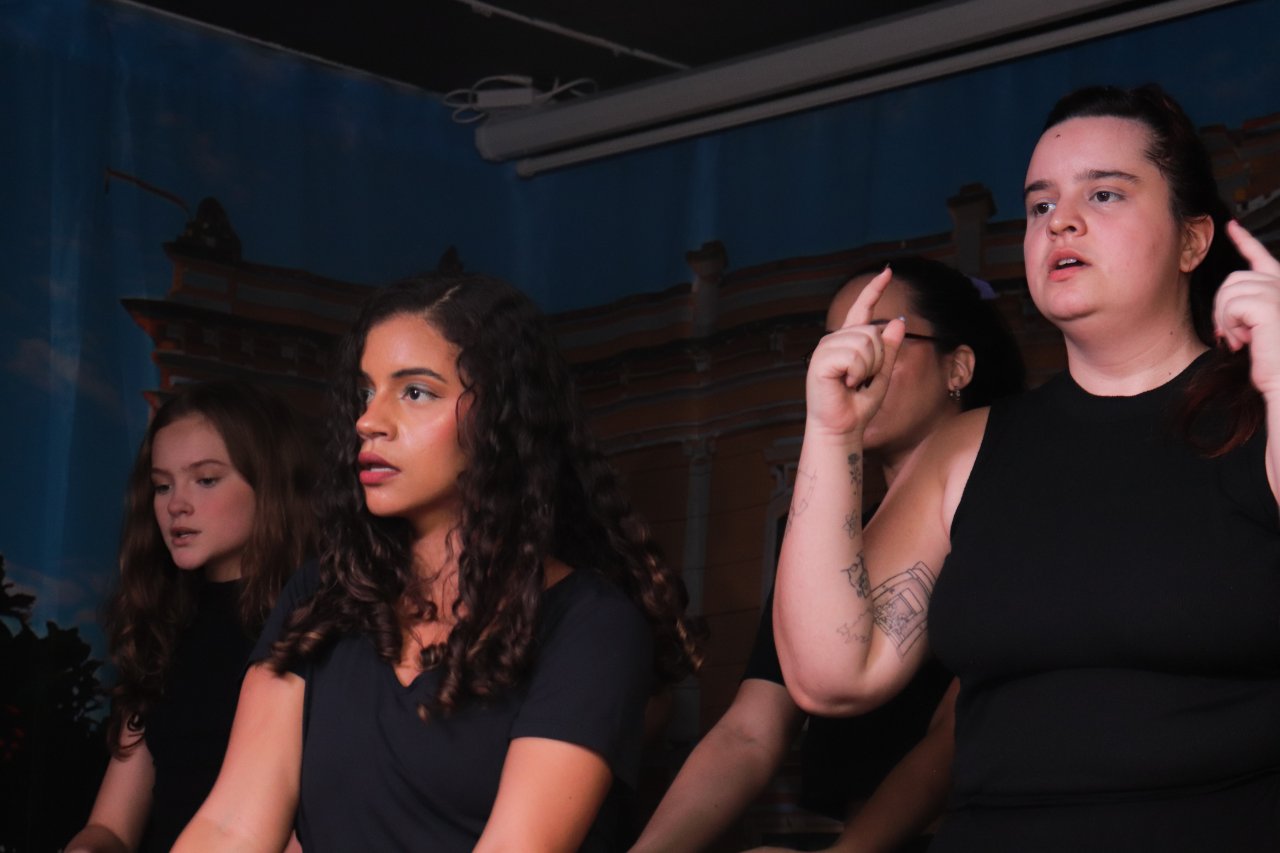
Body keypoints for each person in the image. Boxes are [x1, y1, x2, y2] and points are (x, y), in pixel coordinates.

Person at [774, 83, 1280, 851]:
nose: (1061, 221)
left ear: (1192, 240)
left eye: (1104, 193)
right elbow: (832, 676)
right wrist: (830, 430)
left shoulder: (1259, 417)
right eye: (1041, 204)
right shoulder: (965, 449)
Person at [174, 272, 703, 852]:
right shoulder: (321, 594)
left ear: (501, 415)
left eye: (415, 392)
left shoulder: (591, 624)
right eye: (365, 393)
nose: (368, 421)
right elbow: (232, 825)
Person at [632, 257, 1024, 853]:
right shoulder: (825, 537)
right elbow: (750, 730)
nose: (853, 362)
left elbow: (959, 730)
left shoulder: (1009, 508)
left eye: (880, 337)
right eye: (835, 342)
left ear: (958, 366)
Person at [67, 381, 318, 853]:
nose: (176, 505)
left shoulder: (315, 626)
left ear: (270, 485)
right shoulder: (162, 626)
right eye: (162, 485)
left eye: (205, 480)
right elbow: (111, 826)